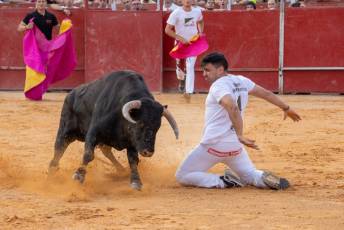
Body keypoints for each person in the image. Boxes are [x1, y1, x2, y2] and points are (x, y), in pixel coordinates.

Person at [175, 52, 301, 190]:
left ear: (220, 69)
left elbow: (232, 106)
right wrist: (286, 108)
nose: (204, 74)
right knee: (249, 174)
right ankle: (260, 178)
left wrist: (240, 134)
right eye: (203, 70)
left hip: (214, 144)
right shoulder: (241, 80)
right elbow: (266, 93)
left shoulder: (218, 86)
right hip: (235, 147)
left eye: (207, 70)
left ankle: (223, 181)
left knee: (182, 175)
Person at [165, 0, 204, 99]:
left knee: (190, 66)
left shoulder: (197, 11)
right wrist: (180, 38)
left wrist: (200, 32)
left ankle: (189, 92)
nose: (188, 1)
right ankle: (182, 80)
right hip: (180, 43)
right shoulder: (176, 13)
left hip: (192, 42)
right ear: (181, 1)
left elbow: (200, 21)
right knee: (180, 67)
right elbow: (167, 30)